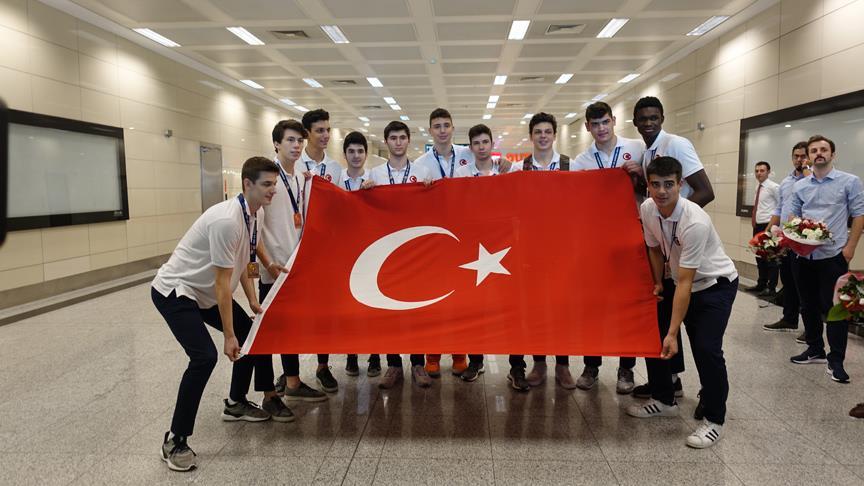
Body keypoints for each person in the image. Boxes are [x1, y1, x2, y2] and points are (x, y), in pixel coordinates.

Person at [152, 156, 293, 472]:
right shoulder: (227, 221)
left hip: (203, 292)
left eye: (274, 184)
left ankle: (235, 402)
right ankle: (175, 440)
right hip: (176, 291)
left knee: (249, 335)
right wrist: (229, 335)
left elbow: (247, 252)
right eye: (267, 184)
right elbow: (221, 285)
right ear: (247, 184)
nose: (273, 190)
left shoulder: (254, 212)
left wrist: (261, 281)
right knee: (204, 357)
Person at [627, 156, 738, 449]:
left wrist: (673, 332)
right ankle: (664, 400)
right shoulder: (648, 208)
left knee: (706, 349)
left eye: (669, 184)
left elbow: (688, 283)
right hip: (677, 280)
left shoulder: (694, 222)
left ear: (681, 185)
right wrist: (657, 282)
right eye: (656, 185)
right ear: (648, 185)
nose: (662, 191)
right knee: (654, 336)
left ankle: (715, 420)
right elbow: (653, 248)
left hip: (713, 286)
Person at [631, 96, 715, 403]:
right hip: (667, 252)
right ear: (635, 122)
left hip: (687, 248)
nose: (648, 123)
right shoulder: (648, 152)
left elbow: (705, 190)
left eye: (654, 117)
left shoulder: (676, 144)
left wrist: (675, 226)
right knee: (664, 318)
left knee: (701, 337)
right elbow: (654, 196)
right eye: (643, 118)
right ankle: (670, 380)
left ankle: (710, 392)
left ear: (662, 118)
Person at [571, 101, 644, 394]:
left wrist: (640, 174)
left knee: (629, 304)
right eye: (595, 124)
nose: (601, 128)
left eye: (605, 122)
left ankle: (627, 368)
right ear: (587, 127)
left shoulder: (637, 148)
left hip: (632, 238)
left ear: (613, 121)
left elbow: (654, 187)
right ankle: (591, 366)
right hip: (597, 242)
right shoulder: (581, 162)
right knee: (595, 307)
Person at [257, 120, 330, 402]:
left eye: (300, 140)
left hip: (295, 266)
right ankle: (269, 393)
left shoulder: (301, 177)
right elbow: (255, 226)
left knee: (291, 328)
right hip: (273, 268)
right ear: (276, 143)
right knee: (268, 332)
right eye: (290, 140)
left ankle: (292, 380)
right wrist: (266, 263)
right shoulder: (268, 179)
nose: (296, 146)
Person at [506, 112, 577, 390]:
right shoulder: (518, 168)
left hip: (562, 249)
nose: (543, 136)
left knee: (561, 308)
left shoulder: (571, 165)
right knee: (535, 308)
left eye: (548, 131)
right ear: (531, 136)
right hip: (530, 250)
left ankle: (563, 365)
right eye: (538, 132)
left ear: (554, 135)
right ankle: (539, 363)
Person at [787, 135, 864, 384]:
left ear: (833, 154)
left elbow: (859, 215)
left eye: (823, 149)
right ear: (808, 156)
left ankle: (836, 360)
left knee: (835, 309)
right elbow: (793, 217)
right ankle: (815, 349)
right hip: (803, 256)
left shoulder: (849, 182)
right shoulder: (800, 186)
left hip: (833, 256)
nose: (818, 153)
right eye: (814, 150)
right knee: (807, 305)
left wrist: (850, 248)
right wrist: (794, 238)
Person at [367, 121, 434, 389]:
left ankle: (417, 363)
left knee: (416, 310)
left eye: (402, 137)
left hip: (415, 250)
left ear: (408, 140)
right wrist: (365, 193)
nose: (398, 142)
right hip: (386, 251)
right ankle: (393, 365)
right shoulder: (375, 174)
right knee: (388, 312)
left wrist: (432, 190)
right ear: (386, 141)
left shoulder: (422, 172)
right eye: (393, 138)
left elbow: (434, 209)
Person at [413, 107, 471, 377]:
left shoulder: (468, 155)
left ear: (453, 128)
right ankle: (433, 354)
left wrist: (505, 165)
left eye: (446, 125)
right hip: (435, 239)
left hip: (466, 236)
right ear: (430, 131)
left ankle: (460, 352)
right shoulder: (420, 163)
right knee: (434, 299)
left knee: (462, 299)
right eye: (437, 126)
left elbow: (488, 175)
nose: (442, 130)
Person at [290, 109, 342, 393]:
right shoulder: (295, 165)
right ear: (307, 133)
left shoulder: (335, 168)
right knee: (294, 314)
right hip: (295, 247)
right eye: (319, 130)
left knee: (323, 312)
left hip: (325, 250)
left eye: (327, 130)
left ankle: (323, 366)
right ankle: (291, 374)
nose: (325, 135)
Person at [451, 123, 503, 382]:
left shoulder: (506, 171)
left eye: (485, 142)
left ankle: (516, 365)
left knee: (506, 303)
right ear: (470, 147)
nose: (481, 147)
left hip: (503, 244)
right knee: (474, 306)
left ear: (492, 144)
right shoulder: (461, 173)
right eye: (476, 143)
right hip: (472, 246)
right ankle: (476, 359)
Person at [337, 130, 382, 377]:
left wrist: (375, 193)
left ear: (366, 154)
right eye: (351, 151)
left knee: (373, 308)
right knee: (349, 309)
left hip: (371, 251)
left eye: (360, 151)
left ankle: (375, 355)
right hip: (345, 253)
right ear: (345, 154)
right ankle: (351, 354)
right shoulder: (336, 180)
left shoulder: (375, 179)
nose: (356, 156)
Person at [763, 142, 809, 334]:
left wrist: (807, 171)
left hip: (805, 242)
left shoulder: (813, 181)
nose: (799, 159)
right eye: (796, 156)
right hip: (785, 240)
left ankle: (811, 328)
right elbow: (779, 209)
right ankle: (789, 318)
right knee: (788, 280)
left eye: (803, 156)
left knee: (804, 285)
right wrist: (767, 233)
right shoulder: (786, 182)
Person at [745, 161, 780, 297]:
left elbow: (780, 207)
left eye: (762, 170)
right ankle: (761, 284)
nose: (759, 173)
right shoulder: (758, 187)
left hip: (769, 225)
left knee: (771, 258)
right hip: (758, 225)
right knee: (760, 256)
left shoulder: (774, 187)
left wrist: (771, 228)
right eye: (757, 171)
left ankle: (771, 288)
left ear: (768, 172)